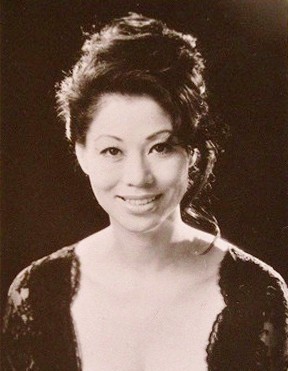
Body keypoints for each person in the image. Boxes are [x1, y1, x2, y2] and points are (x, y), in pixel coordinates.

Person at [2, 13, 288, 371]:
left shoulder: (258, 296)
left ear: (193, 152)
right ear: (81, 153)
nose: (138, 177)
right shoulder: (35, 293)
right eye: (112, 150)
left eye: (160, 147)